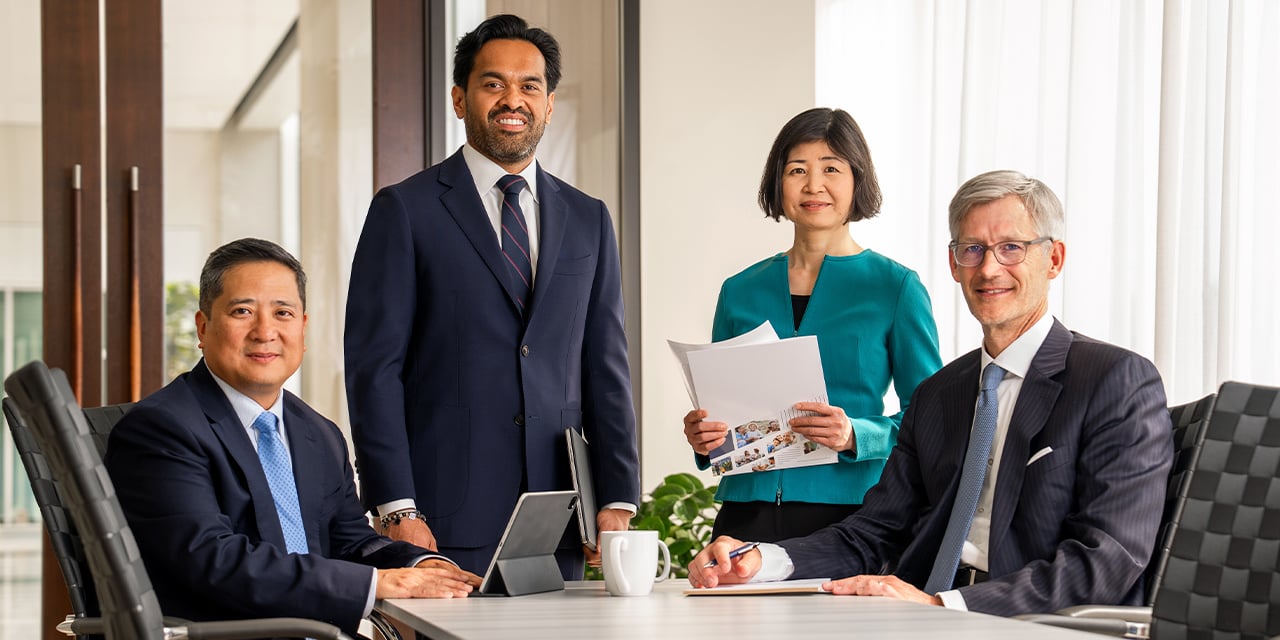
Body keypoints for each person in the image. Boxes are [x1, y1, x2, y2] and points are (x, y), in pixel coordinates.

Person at [688, 170, 1174, 617]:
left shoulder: (1115, 380)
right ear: (953, 264)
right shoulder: (940, 395)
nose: (989, 269)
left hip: (1026, 621)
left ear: (1054, 259)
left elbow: (1108, 559)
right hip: (917, 611)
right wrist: (759, 559)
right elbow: (875, 531)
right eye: (973, 250)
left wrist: (946, 605)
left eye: (1011, 248)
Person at [344, 14, 639, 578]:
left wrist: (617, 498)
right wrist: (397, 507)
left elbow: (607, 365)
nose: (514, 99)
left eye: (530, 86)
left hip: (561, 517)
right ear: (460, 99)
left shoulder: (588, 219)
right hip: (441, 517)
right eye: (493, 83)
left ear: (550, 104)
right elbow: (373, 369)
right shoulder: (405, 210)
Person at [104, 239, 480, 636]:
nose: (265, 332)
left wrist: (418, 566)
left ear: (302, 328)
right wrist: (377, 585)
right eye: (242, 312)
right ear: (203, 327)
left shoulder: (318, 433)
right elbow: (212, 560)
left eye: (283, 313)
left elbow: (350, 541)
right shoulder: (161, 429)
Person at [682, 108, 942, 542]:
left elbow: (934, 417)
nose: (813, 185)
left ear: (857, 179)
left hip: (853, 514)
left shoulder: (895, 287)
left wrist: (857, 434)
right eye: (797, 170)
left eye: (831, 169)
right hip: (744, 515)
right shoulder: (739, 290)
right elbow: (723, 409)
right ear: (777, 182)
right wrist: (703, 436)